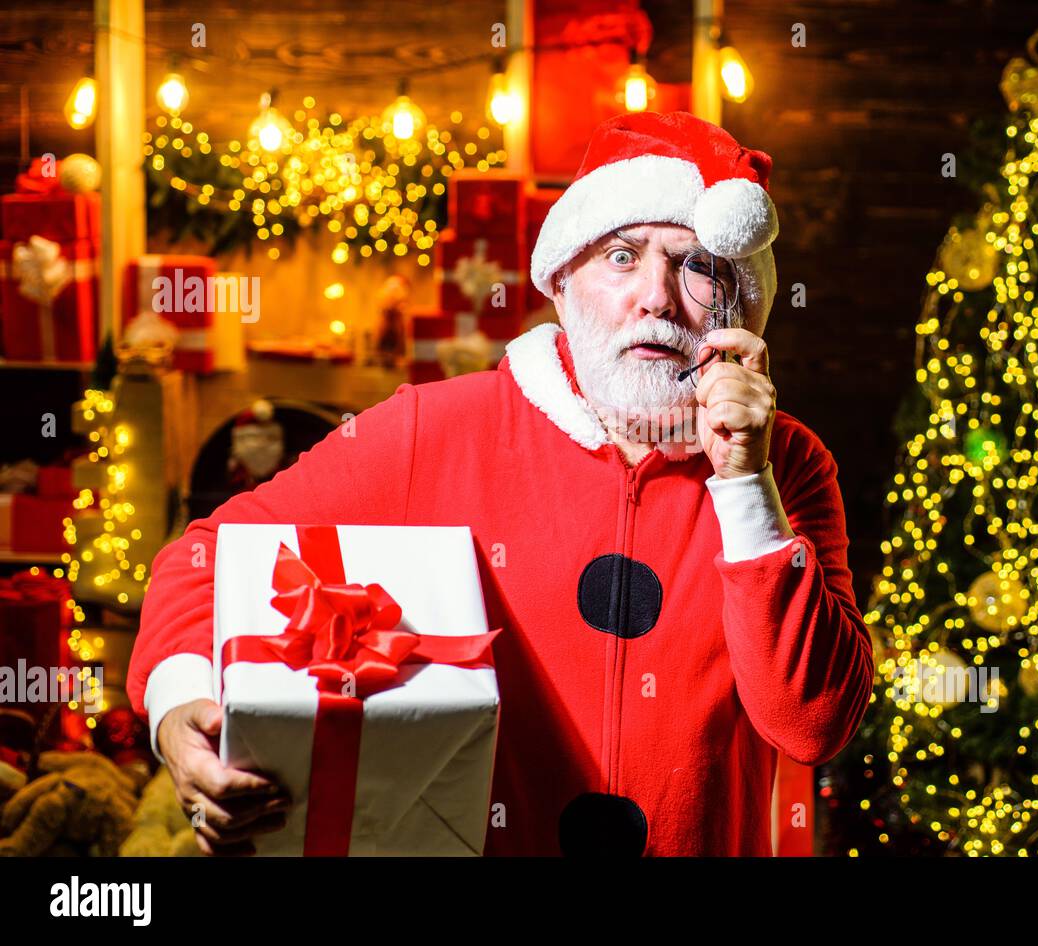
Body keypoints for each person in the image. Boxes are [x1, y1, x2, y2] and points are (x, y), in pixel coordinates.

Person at [127, 110, 875, 856]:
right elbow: (203, 556)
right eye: (621, 256)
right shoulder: (437, 429)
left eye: (697, 265)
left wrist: (747, 487)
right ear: (563, 279)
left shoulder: (788, 466)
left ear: (741, 302)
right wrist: (177, 709)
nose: (656, 296)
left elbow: (812, 723)